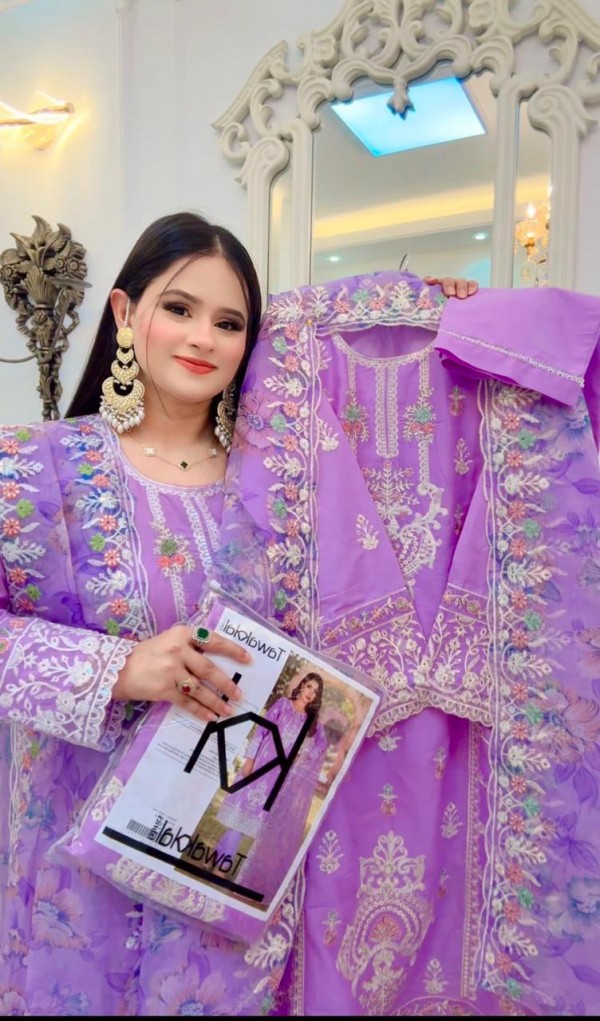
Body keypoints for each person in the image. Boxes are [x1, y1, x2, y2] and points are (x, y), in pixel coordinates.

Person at [0, 207, 478, 1016]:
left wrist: (421, 308)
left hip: (231, 874)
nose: (203, 338)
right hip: (78, 886)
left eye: (229, 323)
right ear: (125, 312)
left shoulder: (286, 482)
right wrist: (121, 668)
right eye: (180, 308)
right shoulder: (35, 469)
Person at [215, 670, 329, 902]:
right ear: (302, 685)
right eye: (309, 687)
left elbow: (321, 747)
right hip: (260, 767)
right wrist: (249, 759)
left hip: (282, 780)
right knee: (239, 819)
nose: (310, 693)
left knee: (264, 830)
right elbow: (261, 730)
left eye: (315, 691)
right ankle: (220, 868)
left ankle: (245, 879)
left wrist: (304, 756)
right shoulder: (283, 705)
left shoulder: (313, 724)